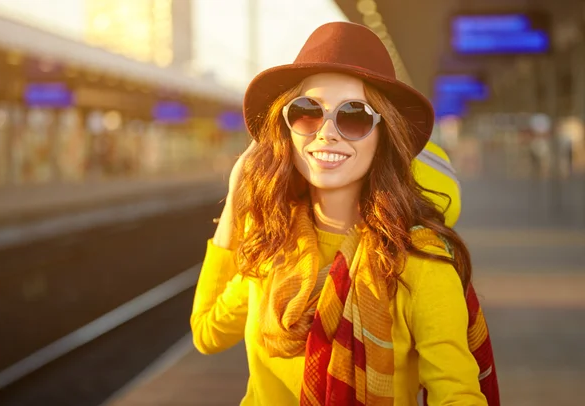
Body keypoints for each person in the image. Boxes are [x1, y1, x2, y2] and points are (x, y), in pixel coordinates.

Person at [191, 22, 499, 405]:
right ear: (285, 128)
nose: (327, 132)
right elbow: (207, 333)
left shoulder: (419, 260)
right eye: (307, 112)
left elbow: (457, 396)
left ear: (384, 134)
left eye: (354, 116)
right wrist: (238, 193)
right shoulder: (274, 241)